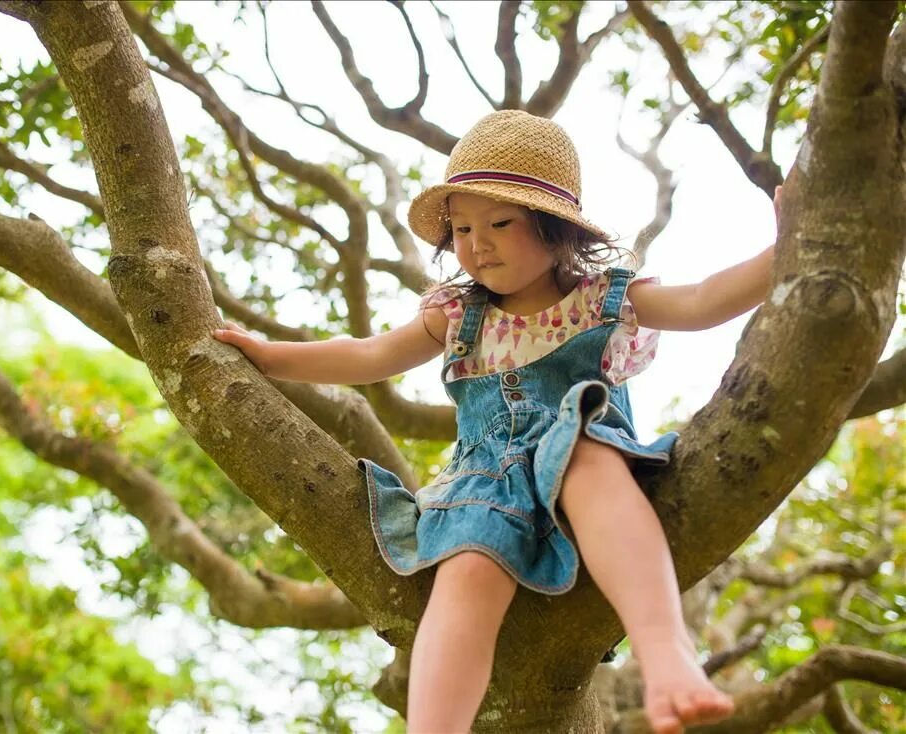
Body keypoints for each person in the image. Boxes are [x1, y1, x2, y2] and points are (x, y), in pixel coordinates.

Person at [214, 110, 775, 734]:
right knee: (468, 563)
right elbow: (371, 354)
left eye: (500, 223)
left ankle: (668, 658)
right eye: (460, 229)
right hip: (489, 482)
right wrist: (272, 357)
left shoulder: (601, 300)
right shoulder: (458, 315)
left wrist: (789, 247)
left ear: (557, 230)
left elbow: (703, 302)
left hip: (586, 465)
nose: (477, 243)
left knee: (585, 456)